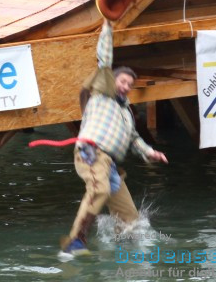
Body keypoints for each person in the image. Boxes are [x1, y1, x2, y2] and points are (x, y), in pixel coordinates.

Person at [59, 18, 167, 256]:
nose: (126, 86)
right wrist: (107, 25)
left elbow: (135, 139)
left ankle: (125, 255)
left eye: (130, 84)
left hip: (111, 166)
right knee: (99, 190)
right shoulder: (102, 93)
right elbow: (105, 59)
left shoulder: (126, 113)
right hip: (92, 153)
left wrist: (151, 152)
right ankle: (75, 243)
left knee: (131, 221)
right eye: (123, 81)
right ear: (112, 81)